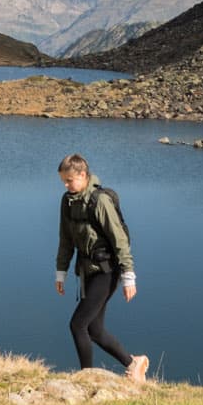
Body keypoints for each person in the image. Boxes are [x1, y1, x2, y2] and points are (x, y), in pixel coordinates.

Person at [55, 153, 149, 382]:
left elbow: (120, 240)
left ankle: (85, 378)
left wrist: (129, 276)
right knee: (94, 330)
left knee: (77, 324)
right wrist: (61, 272)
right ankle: (133, 363)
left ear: (83, 175)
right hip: (87, 270)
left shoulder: (100, 201)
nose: (66, 185)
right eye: (63, 181)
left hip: (107, 271)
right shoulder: (68, 201)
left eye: (69, 180)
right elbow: (66, 240)